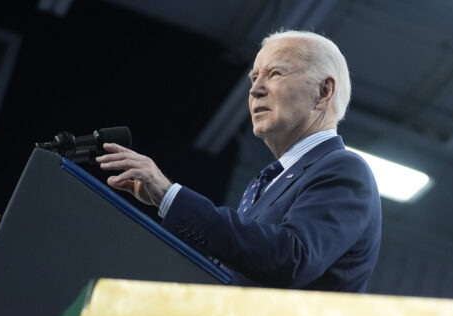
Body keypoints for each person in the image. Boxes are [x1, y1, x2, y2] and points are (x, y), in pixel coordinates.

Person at [96, 30, 381, 292]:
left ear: (323, 92)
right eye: (254, 78)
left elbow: (290, 258)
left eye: (275, 73)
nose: (255, 89)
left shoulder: (344, 169)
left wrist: (171, 197)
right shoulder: (267, 182)